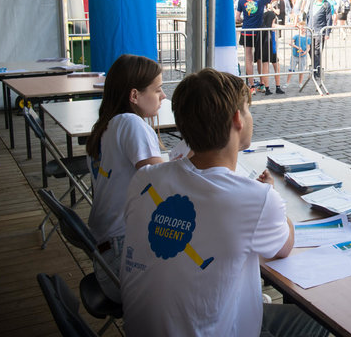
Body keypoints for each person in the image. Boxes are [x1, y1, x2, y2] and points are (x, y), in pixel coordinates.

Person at [121, 69, 327, 337]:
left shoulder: (144, 179)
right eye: (248, 110)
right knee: (319, 321)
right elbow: (284, 247)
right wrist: (268, 194)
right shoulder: (257, 199)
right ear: (237, 119)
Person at [86, 54, 166, 303]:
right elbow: (163, 185)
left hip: (107, 259)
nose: (163, 96)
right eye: (158, 89)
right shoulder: (131, 123)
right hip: (125, 264)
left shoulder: (106, 125)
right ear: (134, 96)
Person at [235, 0, 298, 94]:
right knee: (259, 58)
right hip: (259, 32)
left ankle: (251, 86)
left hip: (246, 32)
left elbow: (237, 18)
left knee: (248, 59)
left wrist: (246, 21)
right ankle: (262, 83)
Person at [308, 0, 333, 78]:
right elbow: (308, 16)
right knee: (310, 50)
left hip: (320, 31)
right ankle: (316, 67)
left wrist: (327, 33)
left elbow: (329, 19)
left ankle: (316, 70)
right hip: (310, 31)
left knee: (317, 51)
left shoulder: (326, 4)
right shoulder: (312, 3)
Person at [286, 18, 311, 89]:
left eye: (303, 28)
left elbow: (308, 47)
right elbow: (290, 43)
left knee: (301, 70)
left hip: (303, 56)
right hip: (295, 55)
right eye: (301, 28)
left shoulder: (307, 38)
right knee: (291, 69)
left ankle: (300, 83)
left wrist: (306, 51)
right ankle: (287, 82)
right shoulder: (296, 36)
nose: (303, 30)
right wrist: (297, 47)